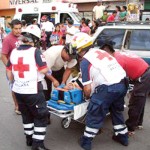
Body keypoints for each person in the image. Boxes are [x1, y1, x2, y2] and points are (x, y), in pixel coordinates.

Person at [70, 32, 129, 150]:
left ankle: (86, 141)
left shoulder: (85, 61)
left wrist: (88, 97)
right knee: (116, 111)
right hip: (122, 83)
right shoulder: (101, 51)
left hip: (108, 87)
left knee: (95, 113)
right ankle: (123, 137)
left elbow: (87, 88)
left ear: (80, 48)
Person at [6, 24, 50, 150]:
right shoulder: (35, 51)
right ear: (35, 40)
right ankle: (38, 145)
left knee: (26, 115)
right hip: (33, 90)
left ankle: (29, 139)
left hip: (18, 91)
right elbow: (43, 70)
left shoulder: (14, 52)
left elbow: (9, 72)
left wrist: (16, 82)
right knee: (41, 116)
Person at [100, 41, 150, 136]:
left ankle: (130, 128)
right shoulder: (118, 54)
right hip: (145, 73)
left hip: (143, 76)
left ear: (108, 52)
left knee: (135, 102)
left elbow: (117, 77)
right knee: (140, 100)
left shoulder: (117, 60)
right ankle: (138, 123)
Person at [1, 19, 22, 115]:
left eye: (19, 28)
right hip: (12, 70)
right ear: (11, 28)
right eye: (16, 29)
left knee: (23, 87)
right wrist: (10, 68)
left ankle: (23, 105)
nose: (18, 31)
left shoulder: (22, 37)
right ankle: (17, 106)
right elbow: (3, 56)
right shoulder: (7, 39)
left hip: (23, 68)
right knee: (14, 88)